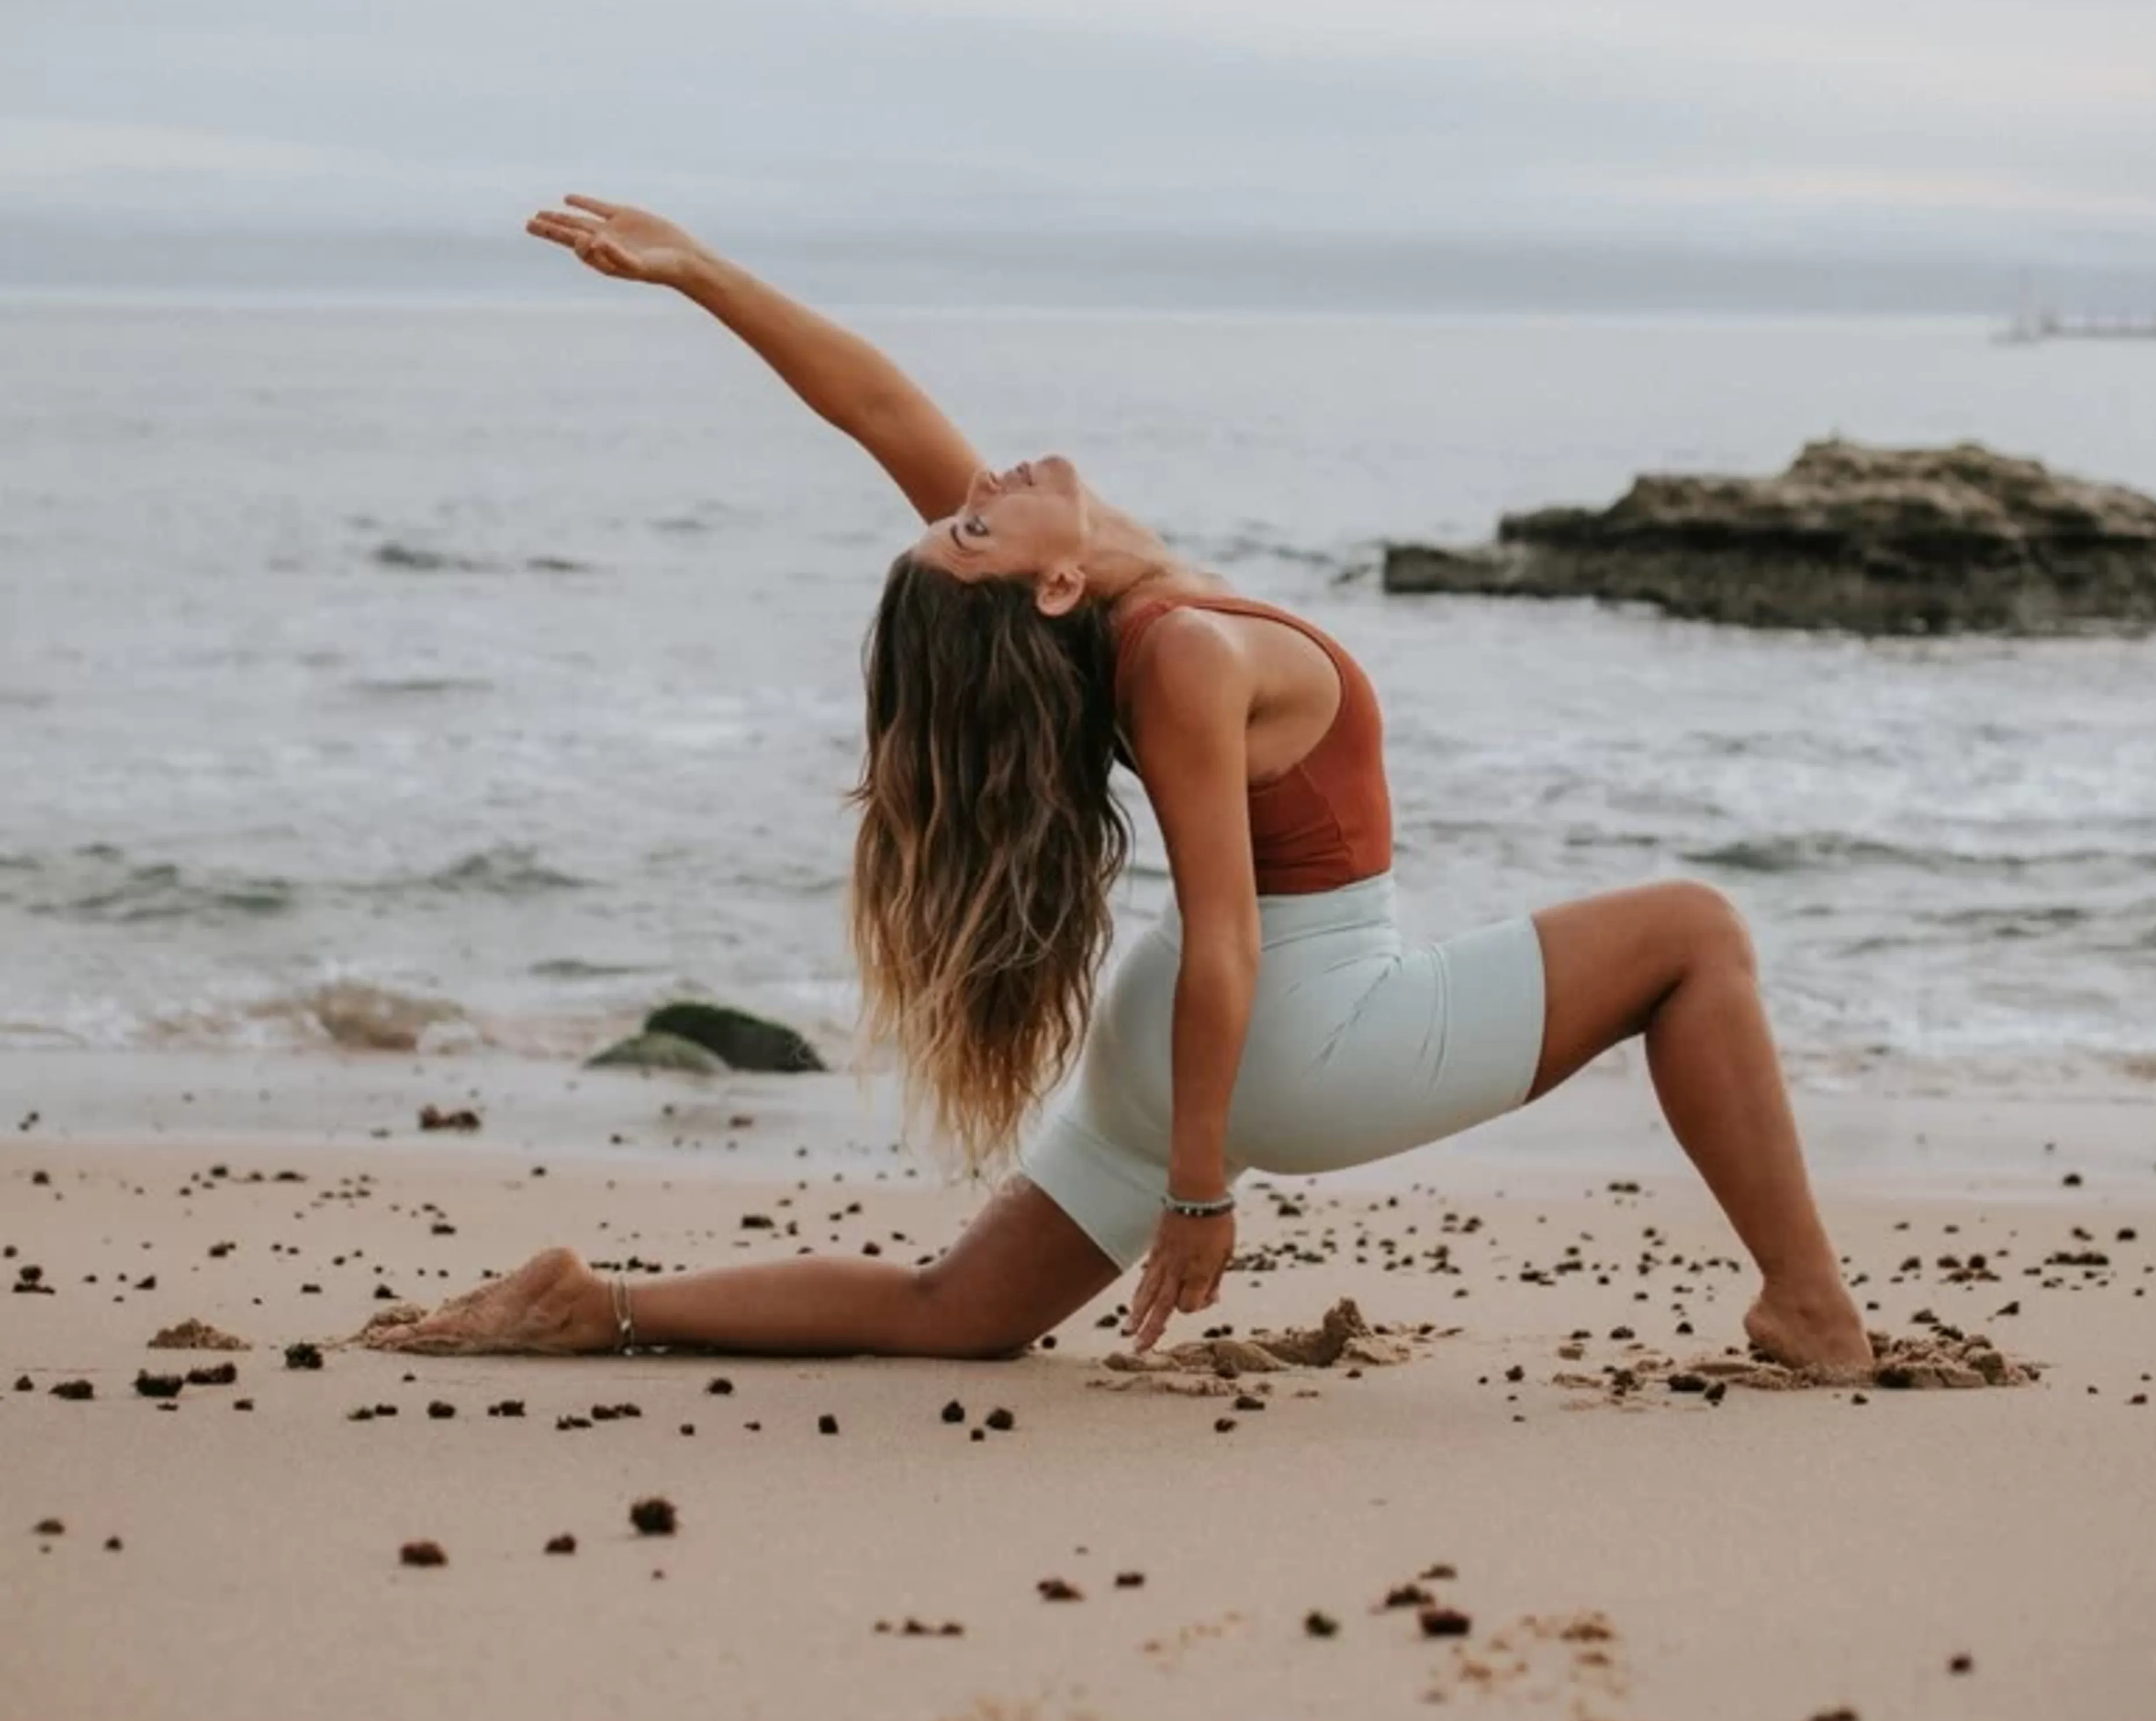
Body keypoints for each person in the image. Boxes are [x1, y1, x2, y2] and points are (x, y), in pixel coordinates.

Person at [359, 196, 1876, 1380]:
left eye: (957, 516)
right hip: (1292, 1035)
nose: (974, 492)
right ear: (1051, 590)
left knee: (955, 1313)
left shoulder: (1103, 597)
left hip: (1171, 1041)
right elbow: (1229, 934)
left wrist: (700, 274)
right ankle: (1809, 1306)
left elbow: (881, 410)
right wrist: (1206, 1189)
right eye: (968, 531)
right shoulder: (1182, 657)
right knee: (1694, 932)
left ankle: (594, 1306)